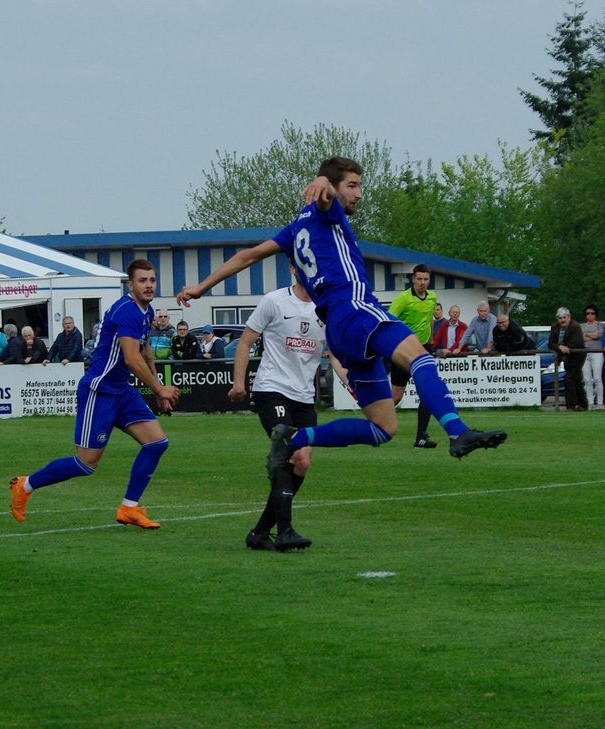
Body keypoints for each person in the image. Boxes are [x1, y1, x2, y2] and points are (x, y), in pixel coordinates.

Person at [175, 156, 506, 464]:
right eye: (353, 185)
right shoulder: (327, 211)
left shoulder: (293, 231)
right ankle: (456, 431)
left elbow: (246, 256)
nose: (359, 194)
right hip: (355, 308)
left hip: (337, 329)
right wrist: (323, 182)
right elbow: (325, 196)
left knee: (383, 427)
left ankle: (292, 437)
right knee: (420, 359)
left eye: (360, 186)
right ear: (333, 187)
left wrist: (202, 287)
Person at [9, 259, 181, 527]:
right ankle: (25, 485)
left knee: (157, 443)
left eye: (152, 280)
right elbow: (131, 358)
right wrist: (159, 388)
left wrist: (157, 386)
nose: (148, 286)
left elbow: (145, 351)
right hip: (99, 391)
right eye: (142, 281)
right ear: (130, 285)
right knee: (86, 463)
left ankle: (129, 508)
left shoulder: (146, 312)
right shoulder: (127, 311)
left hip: (121, 391)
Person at [228, 273, 346, 552]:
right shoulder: (274, 301)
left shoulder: (326, 308)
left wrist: (352, 384)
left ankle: (259, 533)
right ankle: (285, 531)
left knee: (302, 461)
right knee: (286, 449)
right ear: (295, 268)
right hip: (272, 389)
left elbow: (336, 355)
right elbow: (245, 342)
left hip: (304, 398)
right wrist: (239, 383)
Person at [387, 263, 440, 449]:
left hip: (423, 351)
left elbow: (429, 321)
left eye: (426, 279)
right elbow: (388, 321)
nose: (423, 282)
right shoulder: (403, 299)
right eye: (419, 279)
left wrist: (430, 343)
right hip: (403, 351)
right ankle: (373, 422)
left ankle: (421, 438)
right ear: (413, 279)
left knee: (428, 393)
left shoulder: (432, 297)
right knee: (396, 396)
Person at [550, 307, 587, 411]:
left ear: (569, 317)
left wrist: (563, 347)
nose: (562, 320)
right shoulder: (555, 327)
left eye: (564, 317)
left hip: (577, 356)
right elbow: (550, 343)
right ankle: (583, 405)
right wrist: (560, 347)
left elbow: (576, 343)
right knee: (577, 380)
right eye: (560, 318)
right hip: (565, 357)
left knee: (569, 379)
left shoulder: (575, 326)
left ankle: (571, 406)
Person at [580, 304, 605, 409]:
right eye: (587, 313)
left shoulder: (600, 324)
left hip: (597, 353)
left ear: (596, 314)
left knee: (597, 378)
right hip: (585, 354)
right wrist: (592, 335)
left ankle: (600, 403)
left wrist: (587, 334)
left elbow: (598, 335)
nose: (590, 315)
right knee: (587, 379)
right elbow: (581, 338)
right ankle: (590, 402)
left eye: (592, 313)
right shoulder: (581, 326)